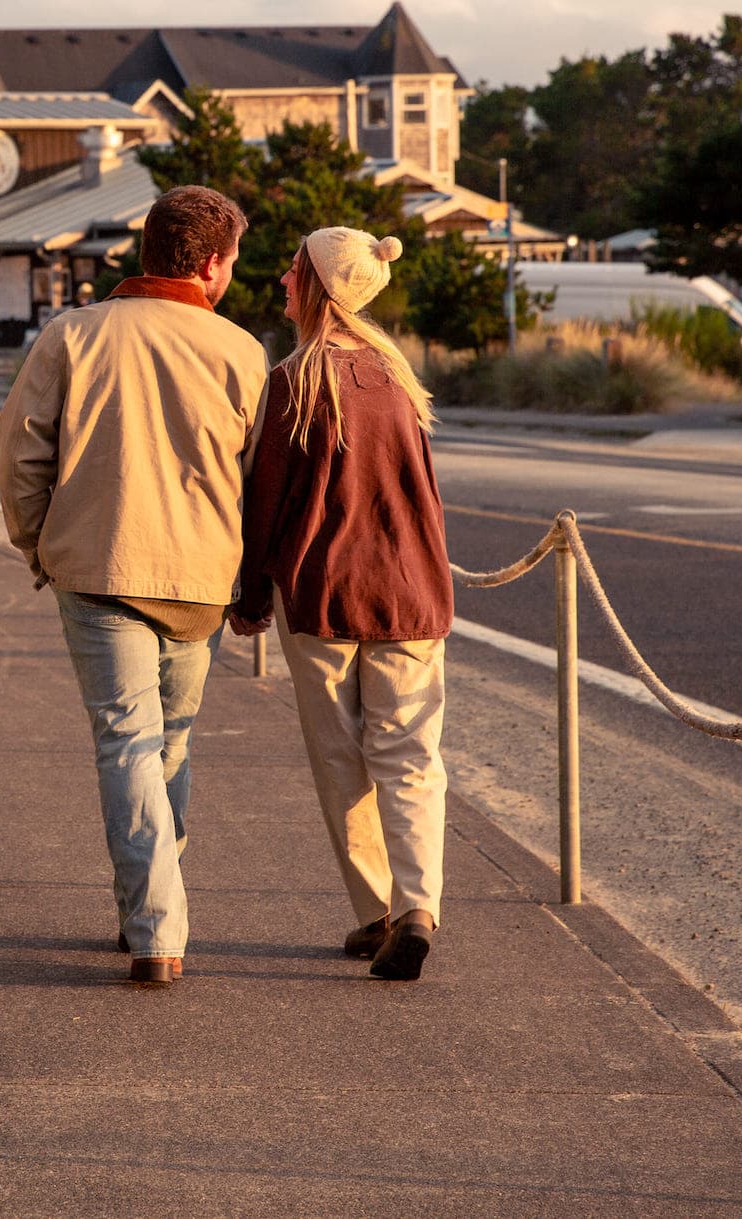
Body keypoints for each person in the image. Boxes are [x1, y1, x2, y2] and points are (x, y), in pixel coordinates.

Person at [0, 186, 267, 987]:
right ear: (212, 265)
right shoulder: (240, 352)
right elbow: (260, 483)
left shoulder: (72, 334)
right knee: (169, 743)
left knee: (127, 742)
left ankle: (154, 924)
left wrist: (39, 545)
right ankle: (155, 909)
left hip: (99, 564)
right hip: (201, 580)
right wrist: (250, 582)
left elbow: (22, 457)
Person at [231, 228, 454, 982]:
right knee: (411, 755)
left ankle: (377, 911)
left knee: (341, 756)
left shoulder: (295, 380)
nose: (283, 278)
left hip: (322, 590)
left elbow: (267, 500)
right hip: (411, 590)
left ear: (321, 288)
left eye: (294, 269)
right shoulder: (398, 378)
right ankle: (419, 905)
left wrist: (251, 590)